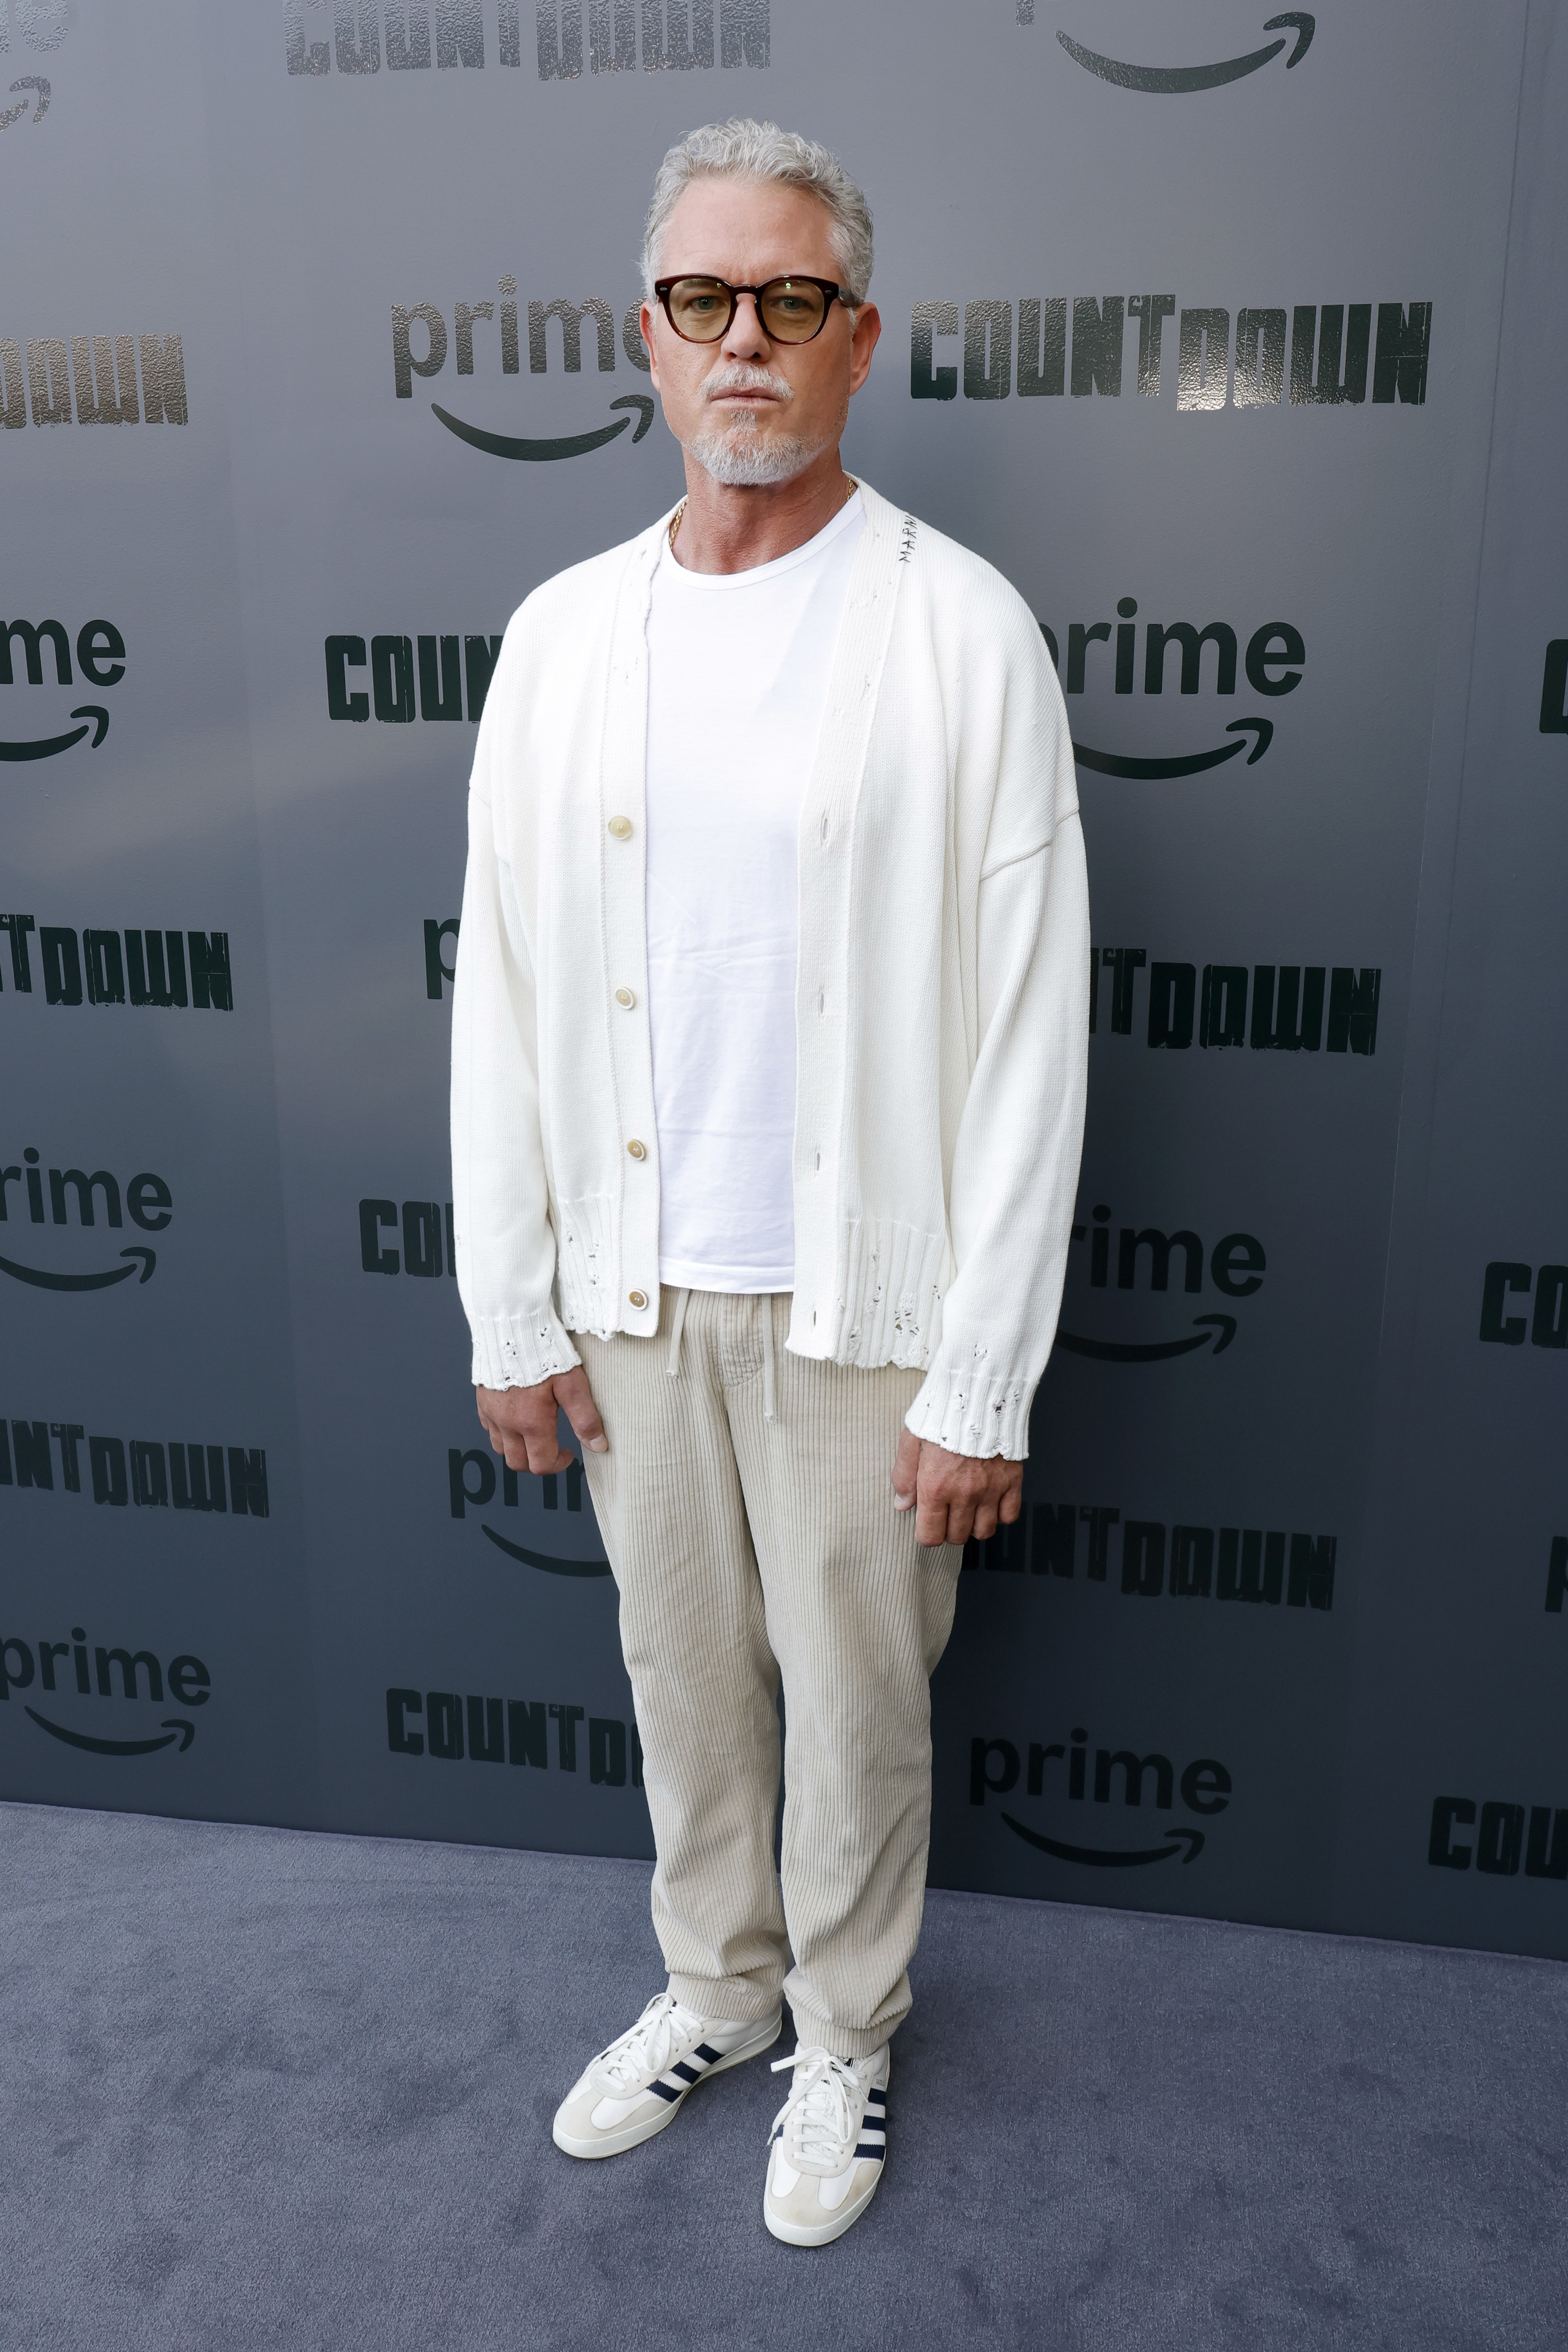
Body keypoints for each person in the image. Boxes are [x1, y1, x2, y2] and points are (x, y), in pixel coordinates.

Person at [450, 117, 1088, 2247]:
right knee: (681, 1681)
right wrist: (512, 1311)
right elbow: (505, 997)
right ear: (650, 337)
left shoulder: (959, 630)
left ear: (857, 341)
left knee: (858, 1700)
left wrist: (979, 1371)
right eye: (707, 300)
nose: (748, 340)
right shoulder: (558, 636)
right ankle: (714, 1986)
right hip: (634, 1292)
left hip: (861, 1303)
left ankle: (844, 2029)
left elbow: (1027, 1028)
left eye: (792, 302)